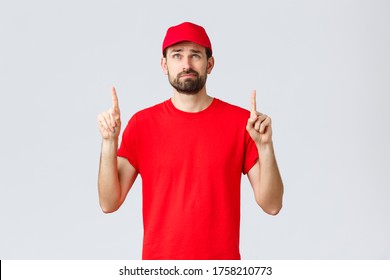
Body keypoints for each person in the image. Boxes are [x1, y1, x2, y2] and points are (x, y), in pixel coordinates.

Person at [97, 22, 283, 260]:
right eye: (177, 56)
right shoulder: (142, 125)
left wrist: (266, 147)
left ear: (210, 63)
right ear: (164, 65)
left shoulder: (241, 124)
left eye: (195, 55)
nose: (186, 64)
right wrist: (109, 142)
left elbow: (272, 205)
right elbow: (108, 202)